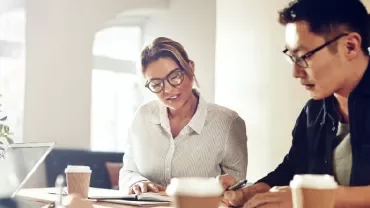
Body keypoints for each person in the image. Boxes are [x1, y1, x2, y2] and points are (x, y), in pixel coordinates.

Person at [219, 0, 370, 207]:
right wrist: (251, 192)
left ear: (350, 46)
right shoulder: (314, 111)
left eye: (303, 56)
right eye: (292, 57)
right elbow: (292, 170)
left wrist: (309, 199)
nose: (296, 72)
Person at [119, 37, 248, 194]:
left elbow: (236, 192)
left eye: (174, 77)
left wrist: (179, 193)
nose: (167, 89)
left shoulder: (227, 123)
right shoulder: (142, 116)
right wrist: (136, 182)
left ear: (191, 68)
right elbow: (128, 172)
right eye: (156, 84)